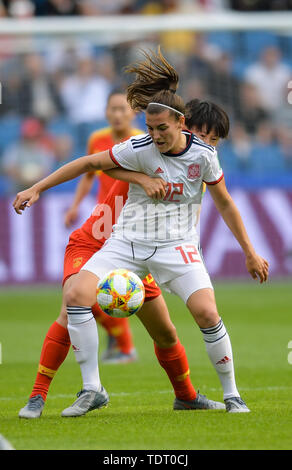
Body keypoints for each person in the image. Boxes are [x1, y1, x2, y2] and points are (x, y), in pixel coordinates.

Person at [14, 48, 269, 417]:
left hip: (177, 247)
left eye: (161, 129)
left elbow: (226, 203)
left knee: (206, 314)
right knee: (75, 294)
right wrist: (38, 187)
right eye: (149, 129)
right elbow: (90, 162)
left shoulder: (204, 156)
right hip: (126, 244)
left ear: (181, 124)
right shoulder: (139, 148)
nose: (154, 136)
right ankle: (91, 389)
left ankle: (232, 395)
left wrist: (249, 250)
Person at [64, 89, 143, 364]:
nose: (118, 114)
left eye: (124, 109)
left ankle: (125, 346)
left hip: (129, 222)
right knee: (84, 292)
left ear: (133, 113)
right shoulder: (97, 139)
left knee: (100, 290)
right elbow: (87, 175)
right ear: (106, 112)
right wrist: (75, 206)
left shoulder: (140, 142)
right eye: (113, 109)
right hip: (102, 221)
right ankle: (121, 344)